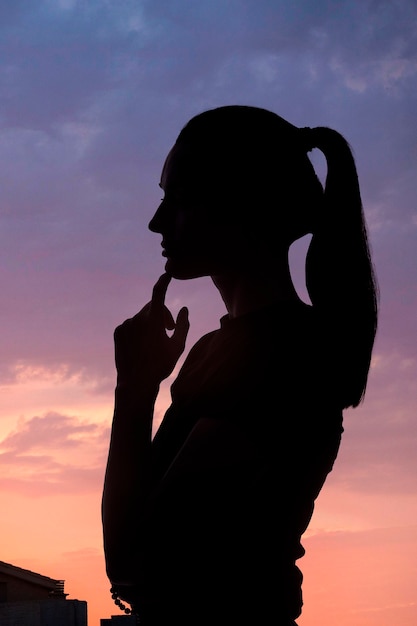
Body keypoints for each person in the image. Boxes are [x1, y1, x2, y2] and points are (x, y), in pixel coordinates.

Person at [102, 105, 378, 625]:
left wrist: (134, 391)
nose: (156, 221)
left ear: (239, 208)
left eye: (177, 201)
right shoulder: (220, 351)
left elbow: (135, 562)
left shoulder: (282, 354)